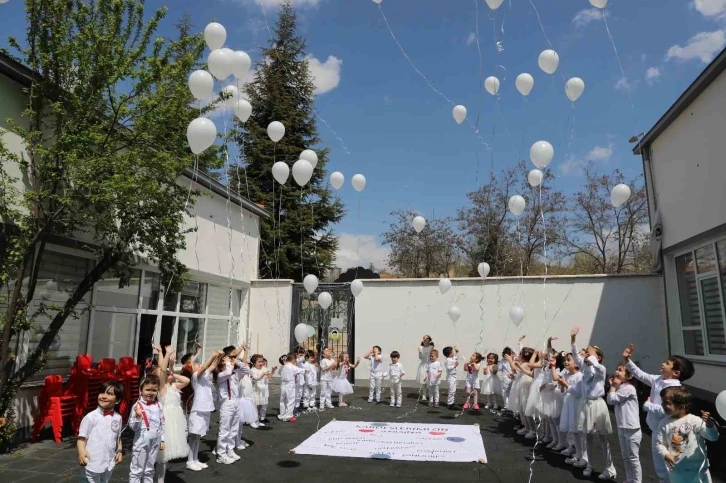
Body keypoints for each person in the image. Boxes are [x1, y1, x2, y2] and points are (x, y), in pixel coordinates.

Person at [623, 344, 695, 483]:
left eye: (667, 363)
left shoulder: (675, 390)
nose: (663, 363)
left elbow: (666, 411)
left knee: (669, 467)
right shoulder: (658, 379)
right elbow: (640, 374)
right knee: (660, 467)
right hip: (657, 430)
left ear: (676, 372)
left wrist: (648, 405)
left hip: (669, 433)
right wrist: (627, 360)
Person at [571, 327, 616, 480]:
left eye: (592, 353)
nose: (587, 354)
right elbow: (577, 357)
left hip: (597, 405)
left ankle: (610, 467)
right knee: (587, 436)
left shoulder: (600, 369)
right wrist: (573, 339)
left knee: (602, 437)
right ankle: (590, 464)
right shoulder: (585, 368)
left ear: (599, 357)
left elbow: (597, 365)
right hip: (586, 405)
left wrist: (592, 355)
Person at [656, 386, 719, 483]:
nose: (662, 405)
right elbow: (660, 443)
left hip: (698, 470)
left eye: (667, 403)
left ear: (681, 407)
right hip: (677, 470)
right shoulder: (664, 423)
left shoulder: (694, 421)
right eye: (663, 402)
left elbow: (713, 437)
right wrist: (666, 454)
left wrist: (710, 424)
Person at [149, 344, 189, 483]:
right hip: (167, 421)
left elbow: (187, 380)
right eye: (165, 373)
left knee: (164, 457)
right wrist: (166, 354)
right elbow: (161, 371)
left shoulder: (172, 387)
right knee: (161, 456)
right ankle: (155, 478)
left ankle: (160, 479)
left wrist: (171, 370)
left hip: (175, 421)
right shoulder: (162, 389)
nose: (167, 373)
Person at [77, 381, 125, 483]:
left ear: (117, 400)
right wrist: (82, 452)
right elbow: (82, 438)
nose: (104, 396)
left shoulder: (118, 417)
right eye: (102, 392)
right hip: (92, 461)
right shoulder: (90, 417)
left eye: (110, 394)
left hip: (108, 461)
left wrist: (119, 451)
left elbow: (118, 437)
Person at [186, 349, 223, 472]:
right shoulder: (195, 376)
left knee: (198, 437)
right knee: (193, 436)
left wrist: (219, 356)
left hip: (205, 409)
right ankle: (190, 461)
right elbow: (206, 366)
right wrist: (212, 355)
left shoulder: (205, 376)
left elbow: (212, 366)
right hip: (197, 410)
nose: (200, 365)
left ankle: (195, 459)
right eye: (197, 364)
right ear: (193, 368)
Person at [607, 362, 642, 483]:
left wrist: (612, 386)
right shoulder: (620, 388)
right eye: (617, 369)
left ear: (629, 376)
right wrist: (614, 387)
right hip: (622, 427)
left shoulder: (629, 388)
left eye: (620, 370)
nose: (616, 372)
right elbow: (610, 399)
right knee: (626, 457)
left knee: (633, 458)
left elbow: (611, 400)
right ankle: (629, 479)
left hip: (632, 429)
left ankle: (637, 481)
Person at [129, 374, 165, 483]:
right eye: (147, 390)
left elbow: (162, 423)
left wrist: (162, 438)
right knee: (137, 469)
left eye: (154, 390)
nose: (150, 393)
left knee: (149, 468)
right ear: (141, 390)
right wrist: (138, 417)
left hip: (155, 439)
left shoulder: (159, 405)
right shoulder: (137, 406)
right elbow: (132, 427)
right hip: (142, 440)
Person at [553, 352, 584, 460]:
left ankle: (580, 454)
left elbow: (578, 393)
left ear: (576, 364)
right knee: (572, 428)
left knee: (577, 430)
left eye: (569, 359)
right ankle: (575, 450)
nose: (566, 361)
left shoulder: (580, 376)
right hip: (569, 403)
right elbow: (563, 391)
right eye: (565, 360)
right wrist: (562, 385)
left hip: (576, 405)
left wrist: (566, 384)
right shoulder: (567, 374)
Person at [539, 351, 566, 449]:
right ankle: (554, 439)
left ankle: (561, 442)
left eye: (553, 357)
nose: (550, 358)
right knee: (550, 419)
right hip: (547, 396)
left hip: (554, 396)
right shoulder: (547, 367)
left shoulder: (558, 369)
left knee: (556, 420)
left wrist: (544, 386)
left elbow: (555, 383)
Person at [249, 354, 277, 426]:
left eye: (262, 362)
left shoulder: (264, 368)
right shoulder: (252, 370)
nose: (261, 363)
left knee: (261, 405)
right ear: (254, 363)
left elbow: (269, 376)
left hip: (263, 390)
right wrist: (262, 374)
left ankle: (257, 420)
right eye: (259, 362)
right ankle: (252, 421)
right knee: (256, 405)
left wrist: (273, 371)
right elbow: (256, 378)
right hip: (257, 390)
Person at [279, 353, 306, 421]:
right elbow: (301, 370)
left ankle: (282, 414)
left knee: (283, 400)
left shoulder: (283, 366)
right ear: (293, 359)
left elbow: (280, 372)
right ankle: (288, 416)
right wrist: (306, 371)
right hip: (290, 385)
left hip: (283, 385)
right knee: (290, 400)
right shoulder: (292, 366)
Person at [417, 335, 434, 401]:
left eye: (426, 338)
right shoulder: (420, 347)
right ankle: (424, 395)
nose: (424, 339)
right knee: (423, 381)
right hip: (423, 365)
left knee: (430, 381)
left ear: (429, 340)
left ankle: (431, 395)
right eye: (423, 338)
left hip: (430, 365)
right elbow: (420, 358)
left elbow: (432, 356)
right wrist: (420, 352)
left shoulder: (431, 347)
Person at [294, 346, 307, 416]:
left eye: (302, 354)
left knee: (299, 394)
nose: (302, 356)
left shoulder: (301, 362)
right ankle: (294, 408)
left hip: (301, 380)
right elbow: (297, 361)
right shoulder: (295, 361)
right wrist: (303, 357)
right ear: (296, 354)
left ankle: (297, 406)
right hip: (296, 381)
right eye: (300, 355)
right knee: (295, 394)